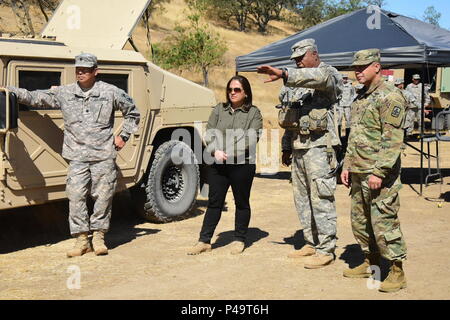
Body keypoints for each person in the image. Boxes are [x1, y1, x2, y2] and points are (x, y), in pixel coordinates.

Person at [5, 53, 140, 257]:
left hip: (103, 155)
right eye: (78, 70)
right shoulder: (65, 93)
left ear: (96, 71)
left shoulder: (110, 92)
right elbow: (35, 97)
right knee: (76, 197)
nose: (81, 73)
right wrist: (8, 91)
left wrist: (123, 136)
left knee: (103, 197)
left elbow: (133, 113)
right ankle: (81, 239)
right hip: (76, 157)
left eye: (85, 70)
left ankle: (99, 236)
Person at [257, 39, 342, 269]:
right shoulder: (295, 83)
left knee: (321, 197)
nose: (297, 62)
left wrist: (285, 73)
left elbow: (319, 79)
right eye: (294, 59)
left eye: (301, 57)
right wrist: (286, 147)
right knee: (302, 198)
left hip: (319, 147)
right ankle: (310, 242)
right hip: (298, 147)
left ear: (314, 53)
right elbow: (289, 116)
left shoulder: (328, 74)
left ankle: (326, 248)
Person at [340, 49, 408, 293]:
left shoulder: (391, 97)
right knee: (360, 221)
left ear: (377, 67)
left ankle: (397, 271)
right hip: (358, 171)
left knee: (384, 222)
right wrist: (347, 165)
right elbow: (354, 136)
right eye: (355, 68)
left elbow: (392, 141)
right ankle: (371, 261)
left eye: (362, 67)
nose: (357, 72)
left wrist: (379, 172)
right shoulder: (360, 98)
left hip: (379, 174)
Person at [187, 75, 263, 255]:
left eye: (237, 90)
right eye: (230, 89)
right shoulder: (219, 110)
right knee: (214, 202)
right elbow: (209, 132)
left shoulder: (254, 113)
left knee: (241, 202)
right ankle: (204, 241)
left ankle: (239, 239)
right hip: (218, 164)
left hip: (242, 165)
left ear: (245, 93)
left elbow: (251, 138)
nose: (232, 93)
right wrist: (214, 151)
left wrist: (227, 151)